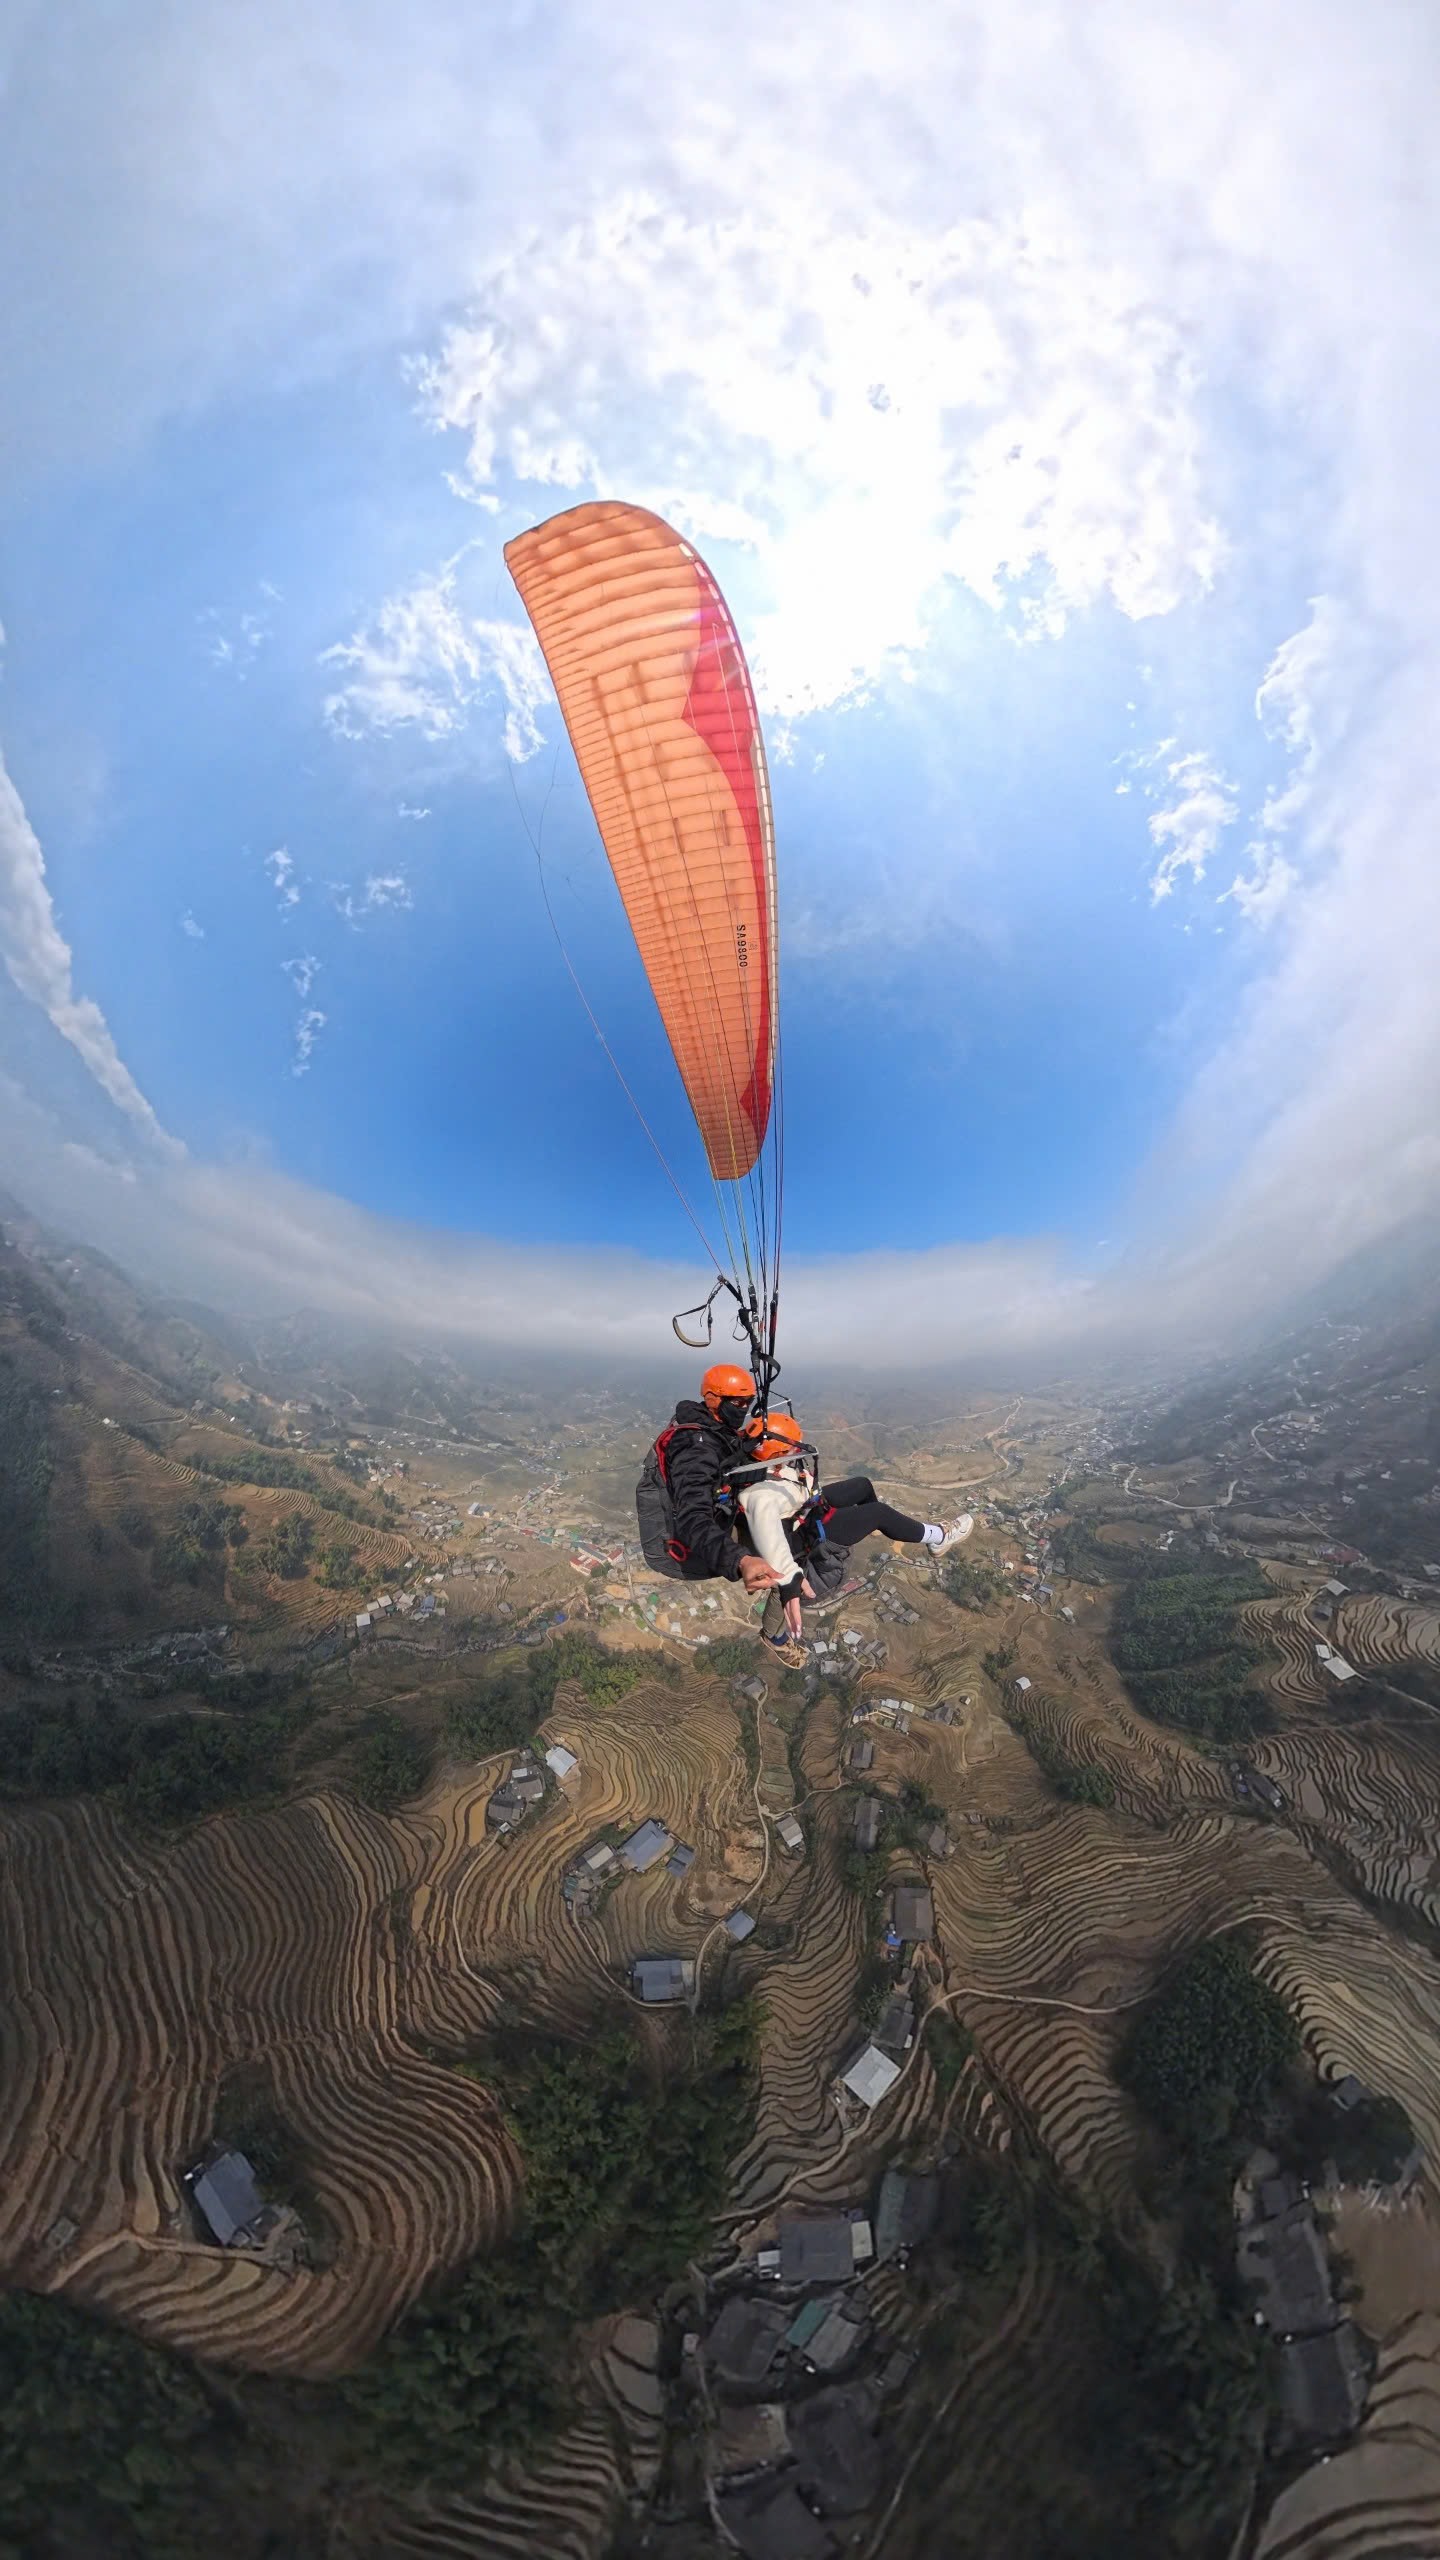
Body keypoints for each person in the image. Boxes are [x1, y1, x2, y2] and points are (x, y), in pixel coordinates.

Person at [738, 1415, 969, 1652]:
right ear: (775, 1453)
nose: (795, 1452)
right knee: (879, 1513)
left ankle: (875, 1526)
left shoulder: (757, 1462)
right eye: (790, 1449)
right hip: (808, 1535)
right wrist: (789, 1578)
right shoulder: (761, 1498)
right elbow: (769, 1536)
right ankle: (939, 1537)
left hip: (807, 1509)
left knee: (862, 1485)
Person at [662, 1364, 780, 1596]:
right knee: (789, 1546)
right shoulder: (695, 1449)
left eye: (748, 1402)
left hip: (722, 1512)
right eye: (737, 1402)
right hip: (704, 1541)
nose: (744, 1408)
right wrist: (741, 1561)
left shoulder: (713, 1428)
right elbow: (692, 1518)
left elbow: (723, 1461)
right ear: (713, 1399)